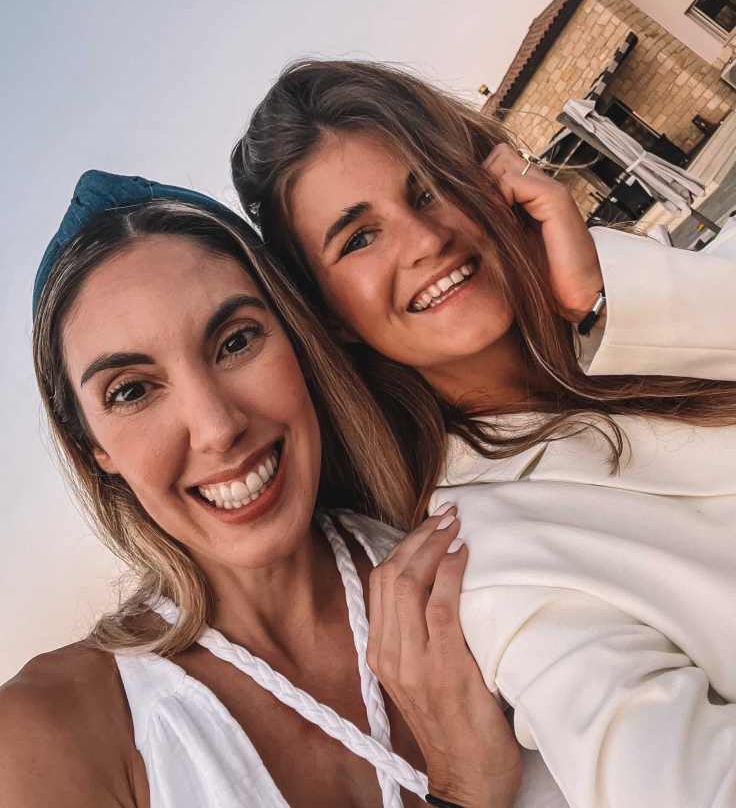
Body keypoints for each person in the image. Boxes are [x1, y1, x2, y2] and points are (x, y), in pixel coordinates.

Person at [232, 59, 736, 808]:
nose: (423, 239)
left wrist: (601, 293)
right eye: (359, 238)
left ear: (493, 181)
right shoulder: (493, 560)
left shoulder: (655, 321)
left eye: (428, 188)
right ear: (330, 317)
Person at [0, 170, 546, 808]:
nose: (217, 428)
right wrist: (463, 790)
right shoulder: (45, 737)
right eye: (133, 390)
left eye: (236, 342)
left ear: (297, 341)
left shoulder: (477, 548)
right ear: (94, 447)